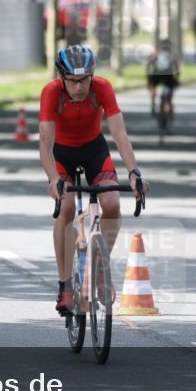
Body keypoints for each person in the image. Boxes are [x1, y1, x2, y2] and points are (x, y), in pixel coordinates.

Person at [39, 45, 150, 316]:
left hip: (94, 150)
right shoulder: (51, 93)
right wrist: (54, 179)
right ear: (62, 78)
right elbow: (45, 142)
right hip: (62, 155)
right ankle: (65, 286)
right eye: (73, 81)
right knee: (65, 209)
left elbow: (119, 134)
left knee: (112, 203)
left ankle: (100, 268)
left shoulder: (102, 88)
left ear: (92, 76)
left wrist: (133, 172)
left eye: (84, 80)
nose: (79, 87)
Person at [145, 38, 180, 120]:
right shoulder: (172, 54)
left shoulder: (156, 53)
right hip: (167, 76)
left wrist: (148, 75)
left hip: (157, 75)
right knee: (170, 99)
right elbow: (176, 67)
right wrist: (177, 77)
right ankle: (170, 122)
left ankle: (153, 100)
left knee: (153, 85)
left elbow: (149, 64)